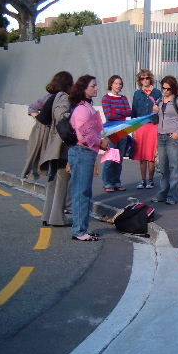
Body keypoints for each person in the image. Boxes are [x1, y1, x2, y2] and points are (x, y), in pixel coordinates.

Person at [68, 75, 109, 241]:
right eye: (93, 86)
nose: (96, 88)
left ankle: (82, 228)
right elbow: (84, 136)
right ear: (84, 88)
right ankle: (79, 231)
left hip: (86, 152)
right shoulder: (82, 109)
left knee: (84, 191)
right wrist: (101, 143)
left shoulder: (86, 107)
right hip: (81, 152)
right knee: (81, 191)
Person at [39, 71, 74, 227]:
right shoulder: (64, 97)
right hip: (61, 145)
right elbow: (61, 115)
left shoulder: (52, 96)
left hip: (53, 144)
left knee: (53, 181)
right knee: (62, 181)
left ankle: (47, 216)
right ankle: (57, 218)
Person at [152, 75, 178, 205]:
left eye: (168, 89)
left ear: (173, 89)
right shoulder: (159, 101)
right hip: (161, 136)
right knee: (163, 167)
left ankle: (173, 196)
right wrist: (155, 112)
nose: (165, 91)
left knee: (174, 167)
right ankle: (163, 193)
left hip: (174, 137)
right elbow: (155, 120)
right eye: (163, 88)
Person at [131, 70, 161, 189]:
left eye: (147, 78)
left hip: (153, 125)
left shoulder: (157, 93)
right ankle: (143, 180)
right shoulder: (137, 94)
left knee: (151, 155)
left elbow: (162, 111)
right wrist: (133, 129)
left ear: (151, 79)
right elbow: (134, 111)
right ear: (140, 80)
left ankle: (151, 180)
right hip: (140, 126)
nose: (145, 80)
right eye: (142, 79)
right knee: (141, 155)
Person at [101, 75, 131, 192]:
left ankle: (116, 181)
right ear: (111, 84)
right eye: (116, 83)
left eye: (120, 84)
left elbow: (129, 112)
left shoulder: (123, 98)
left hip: (122, 130)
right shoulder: (106, 98)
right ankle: (107, 183)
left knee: (119, 159)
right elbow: (109, 115)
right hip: (111, 131)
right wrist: (121, 113)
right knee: (110, 158)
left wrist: (117, 112)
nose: (118, 86)